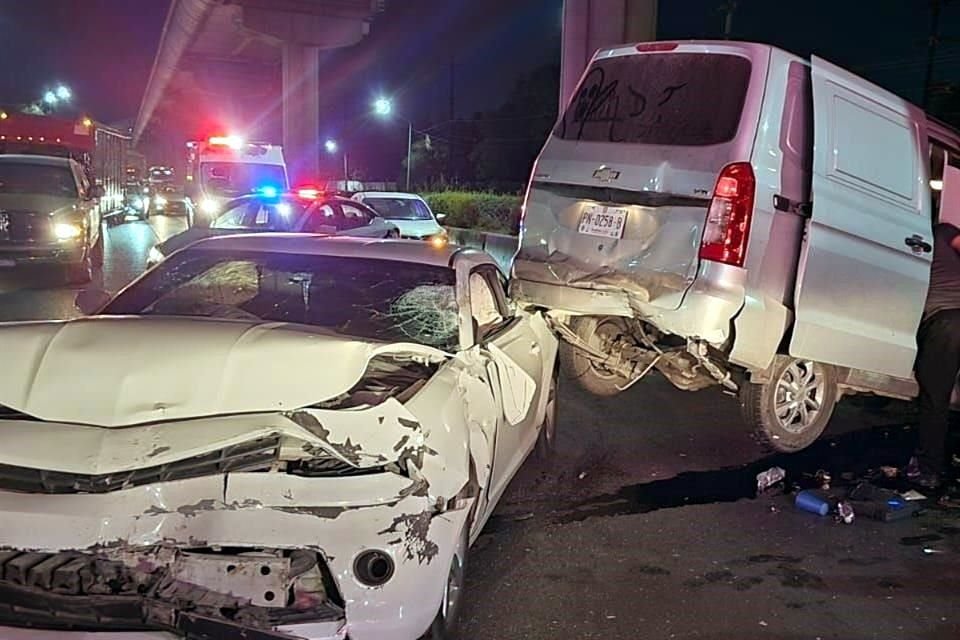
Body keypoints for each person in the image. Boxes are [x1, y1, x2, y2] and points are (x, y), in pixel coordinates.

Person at [914, 221, 960, 489]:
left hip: (945, 322)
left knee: (935, 399)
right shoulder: (943, 233)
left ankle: (928, 470)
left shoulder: (935, 233)